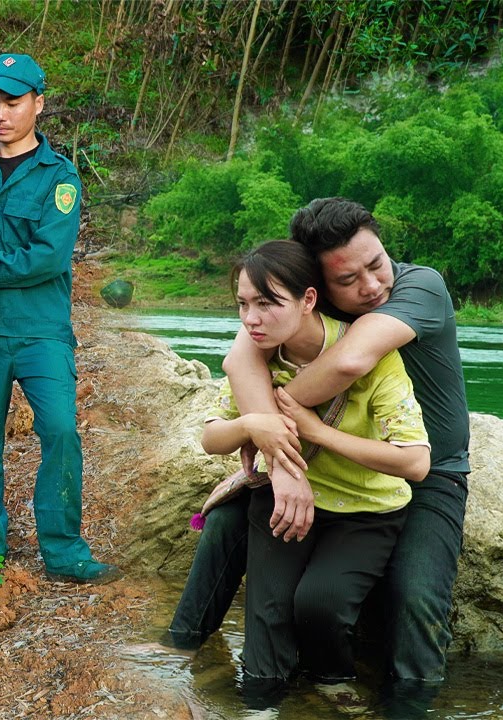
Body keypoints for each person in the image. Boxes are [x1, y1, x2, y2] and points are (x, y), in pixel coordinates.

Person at [167, 198, 470, 716]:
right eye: (347, 279)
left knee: (416, 597)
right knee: (225, 522)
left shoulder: (419, 285)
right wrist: (277, 458)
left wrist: (277, 423)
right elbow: (240, 356)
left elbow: (352, 359)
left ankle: (410, 704)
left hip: (428, 471)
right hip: (327, 468)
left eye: (376, 263)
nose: (371, 286)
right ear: (318, 290)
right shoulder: (303, 306)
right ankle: (182, 653)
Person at [202, 240, 429, 708]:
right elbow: (212, 435)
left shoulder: (372, 350)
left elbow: (415, 461)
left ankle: (330, 679)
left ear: (308, 299)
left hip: (366, 511)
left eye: (265, 304)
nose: (250, 319)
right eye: (243, 304)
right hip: (292, 503)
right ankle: (258, 699)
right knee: (265, 618)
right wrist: (251, 424)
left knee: (319, 604)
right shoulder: (258, 357)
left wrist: (313, 431)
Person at [0, 53, 119, 584]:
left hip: (40, 332)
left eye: (12, 102)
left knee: (59, 431)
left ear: (39, 103)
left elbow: (49, 257)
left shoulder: (60, 177)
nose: (0, 114)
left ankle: (63, 551)